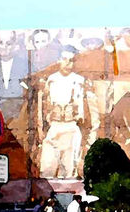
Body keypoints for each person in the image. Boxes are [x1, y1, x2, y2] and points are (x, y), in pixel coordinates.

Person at [38, 45, 92, 178]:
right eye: (64, 59)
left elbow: (87, 112)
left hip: (71, 127)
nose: (67, 63)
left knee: (68, 171)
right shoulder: (50, 80)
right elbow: (42, 107)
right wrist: (41, 128)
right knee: (47, 168)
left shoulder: (80, 81)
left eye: (71, 60)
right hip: (54, 127)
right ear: (58, 60)